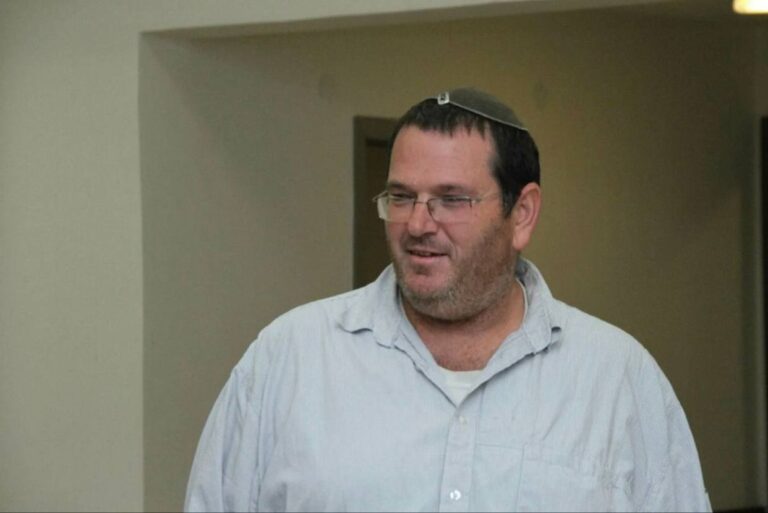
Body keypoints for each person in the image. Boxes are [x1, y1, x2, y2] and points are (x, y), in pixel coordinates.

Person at [185, 88, 710, 512]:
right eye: (401, 197)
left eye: (451, 200)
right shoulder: (288, 361)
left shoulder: (617, 381)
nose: (417, 224)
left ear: (522, 214)